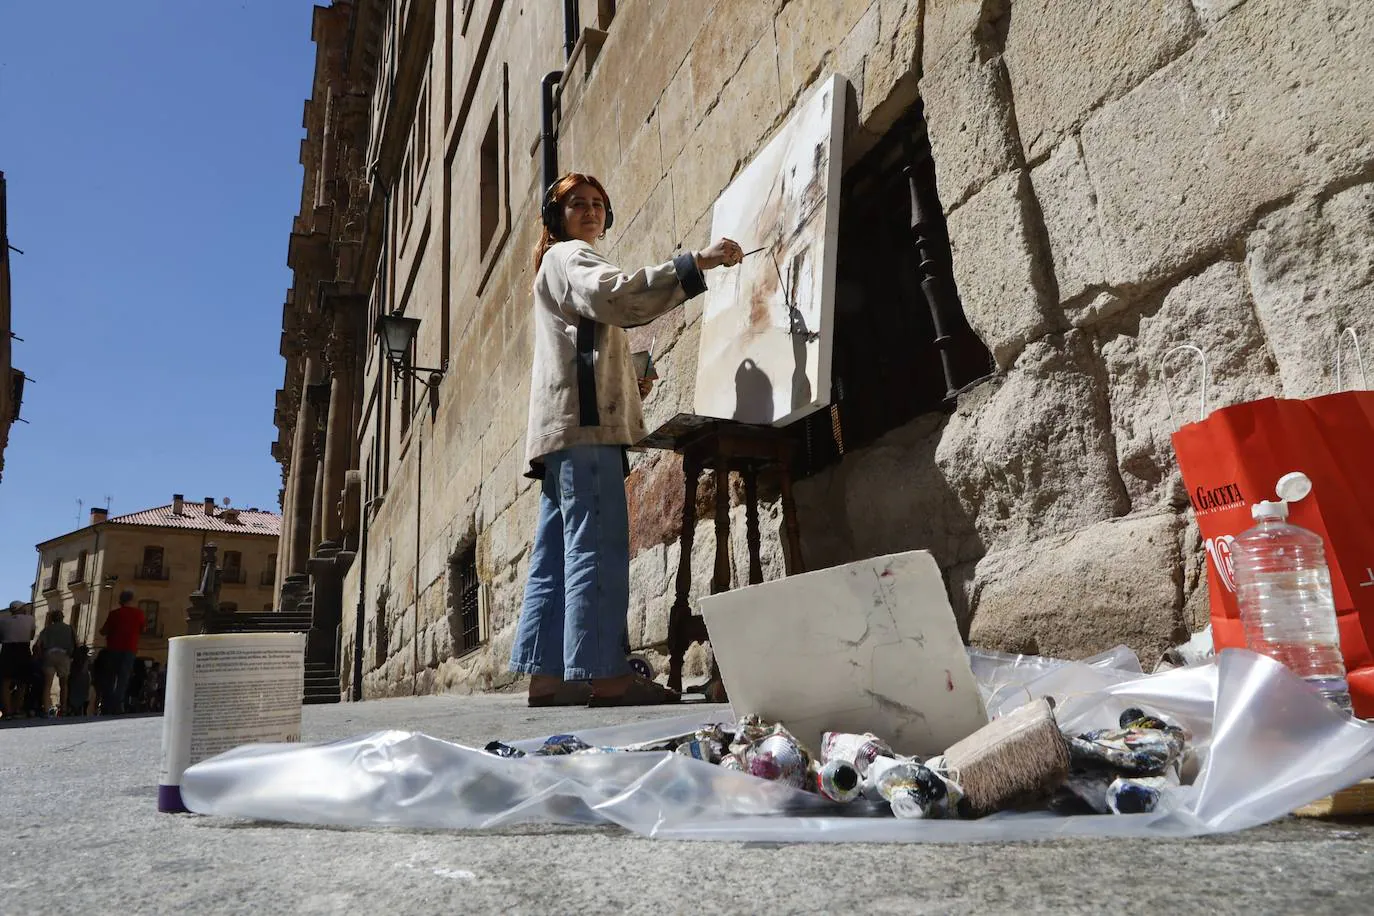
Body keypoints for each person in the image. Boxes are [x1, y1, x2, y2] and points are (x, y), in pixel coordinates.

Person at [510, 171, 743, 707]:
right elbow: (615, 296)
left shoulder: (555, 263)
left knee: (555, 553)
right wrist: (694, 263)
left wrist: (626, 375)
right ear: (557, 217)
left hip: (561, 431)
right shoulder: (571, 257)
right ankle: (607, 675)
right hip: (587, 429)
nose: (590, 211)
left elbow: (586, 337)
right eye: (578, 204)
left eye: (598, 204)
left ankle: (550, 677)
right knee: (596, 545)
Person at [99, 591, 145, 714]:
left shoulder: (114, 614)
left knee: (110, 677)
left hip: (114, 648)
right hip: (130, 648)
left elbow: (103, 631)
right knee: (123, 678)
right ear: (132, 599)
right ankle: (118, 704)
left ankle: (107, 705)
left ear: (120, 600)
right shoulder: (139, 614)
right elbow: (142, 629)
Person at [35, 609, 75, 717]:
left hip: (49, 654)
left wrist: (40, 656)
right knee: (64, 684)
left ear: (52, 619)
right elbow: (75, 643)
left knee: (47, 685)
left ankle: (46, 709)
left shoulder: (47, 629)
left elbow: (38, 645)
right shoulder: (69, 629)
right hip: (63, 655)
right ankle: (64, 709)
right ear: (62, 617)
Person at [1, 600, 37, 718]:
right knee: (22, 682)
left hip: (7, 650)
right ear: (22, 609)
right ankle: (17, 709)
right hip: (23, 649)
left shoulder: (3, 621)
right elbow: (31, 636)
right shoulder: (30, 619)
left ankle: (7, 711)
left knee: (5, 682)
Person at [67, 646, 92, 717]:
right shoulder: (83, 661)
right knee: (82, 696)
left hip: (78, 682)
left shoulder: (74, 662)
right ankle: (80, 711)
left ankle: (75, 710)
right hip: (81, 681)